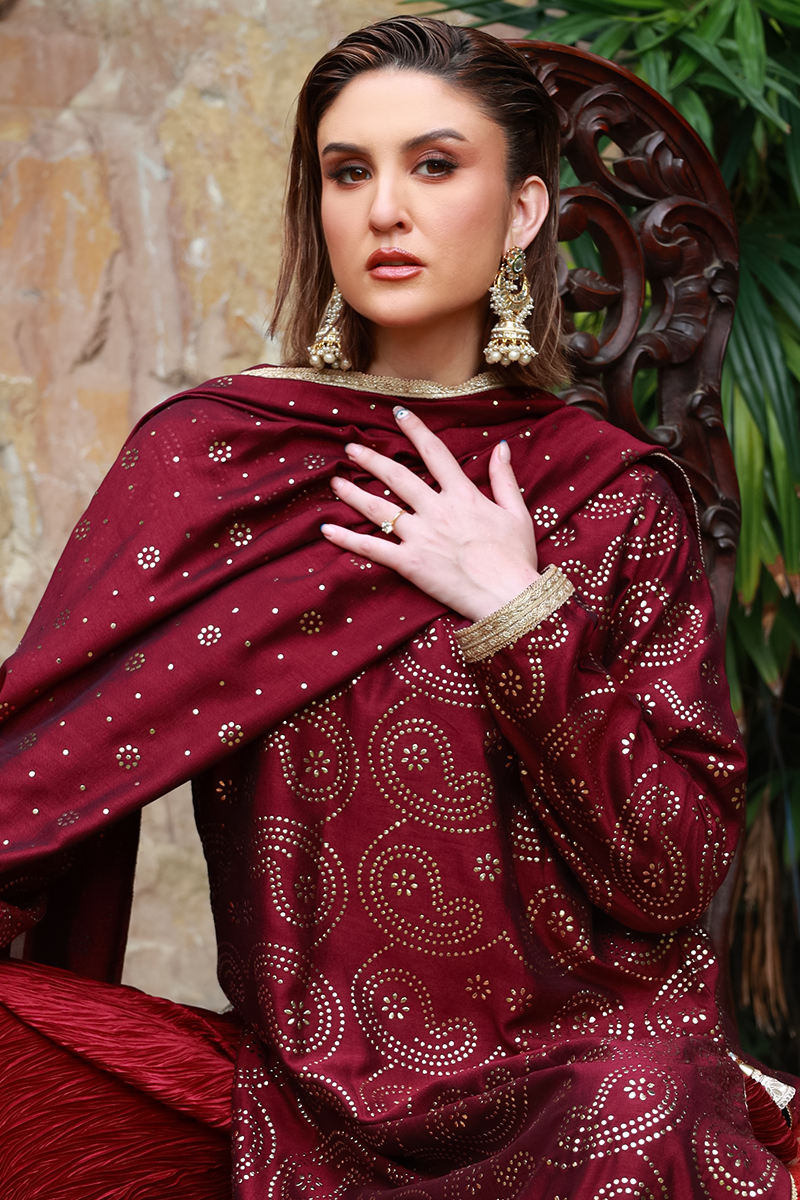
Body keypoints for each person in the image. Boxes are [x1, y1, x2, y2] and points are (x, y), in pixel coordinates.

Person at [0, 15, 797, 1199]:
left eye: (432, 165)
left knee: (634, 1110)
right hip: (294, 1098)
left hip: (584, 1088)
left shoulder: (610, 498)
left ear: (521, 211)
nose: (383, 210)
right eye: (346, 171)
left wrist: (517, 611)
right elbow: (40, 766)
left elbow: (672, 873)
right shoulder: (216, 461)